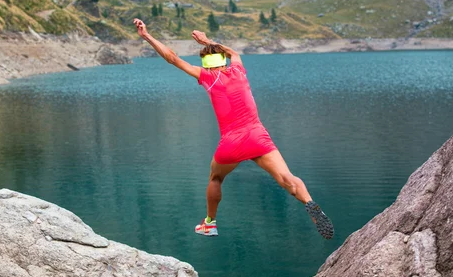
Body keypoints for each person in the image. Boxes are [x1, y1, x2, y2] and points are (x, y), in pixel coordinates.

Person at [133, 18, 334, 239]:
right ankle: (310, 203)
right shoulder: (238, 69)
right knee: (287, 178)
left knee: (216, 178)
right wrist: (207, 40)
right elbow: (234, 53)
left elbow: (172, 58)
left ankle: (209, 223)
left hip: (231, 143)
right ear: (223, 60)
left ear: (206, 63)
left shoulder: (207, 77)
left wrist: (147, 36)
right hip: (258, 137)